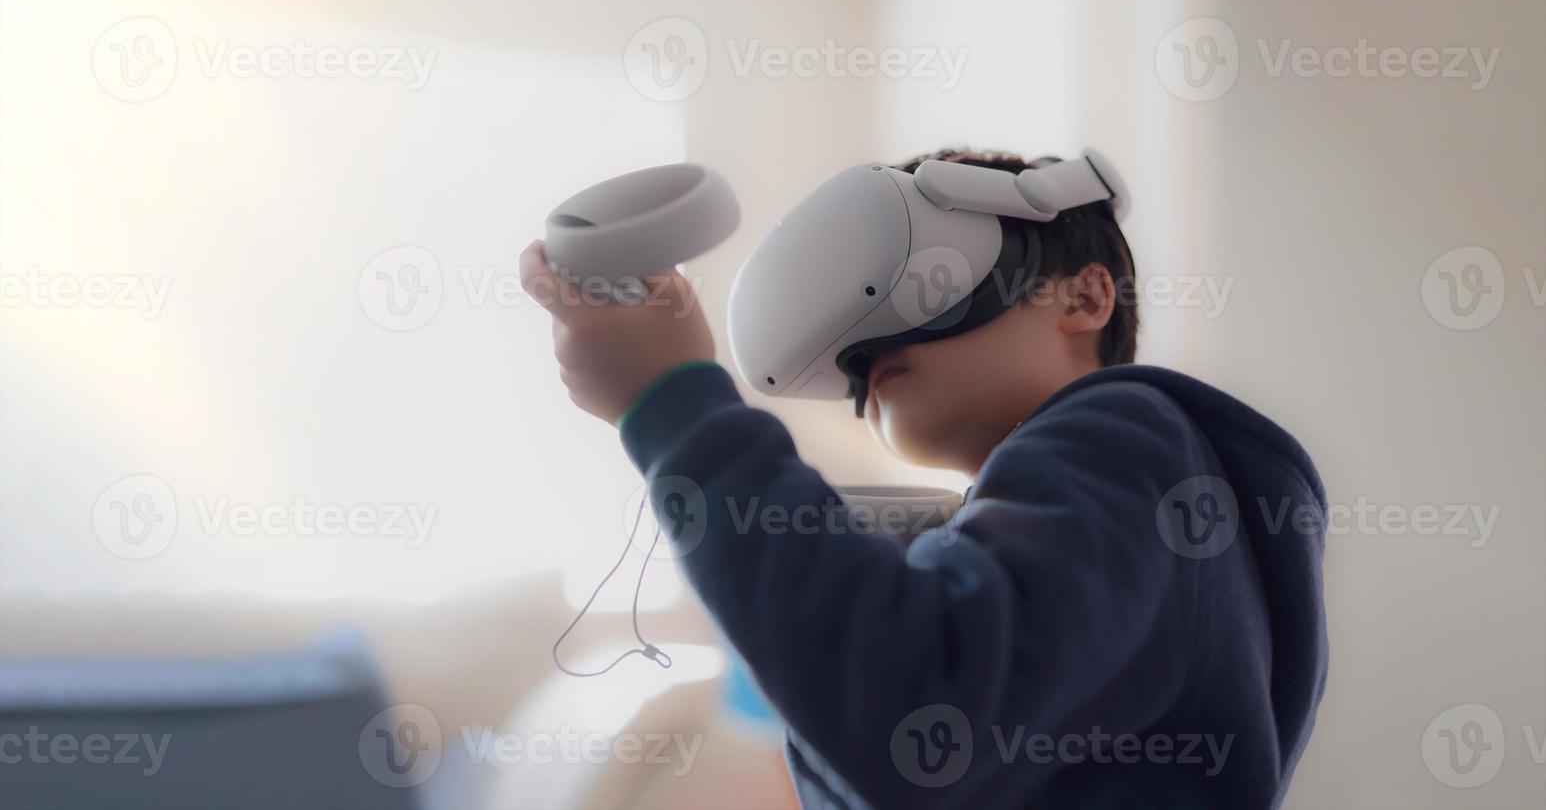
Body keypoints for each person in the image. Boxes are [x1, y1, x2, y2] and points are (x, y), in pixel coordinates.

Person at [519, 148, 1328, 808]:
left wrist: (676, 406)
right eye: (853, 361)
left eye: (925, 285)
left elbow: (919, 711)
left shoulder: (1126, 440)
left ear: (1083, 296)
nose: (868, 354)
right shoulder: (1063, 517)